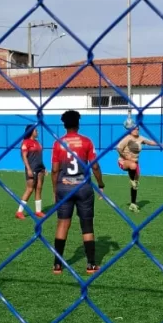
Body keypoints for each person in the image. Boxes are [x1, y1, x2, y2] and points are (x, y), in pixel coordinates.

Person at [51, 110, 106, 275]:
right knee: (87, 224)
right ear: (78, 123)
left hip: (64, 187)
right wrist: (101, 183)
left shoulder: (58, 143)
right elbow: (94, 166)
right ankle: (91, 265)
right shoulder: (87, 142)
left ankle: (57, 265)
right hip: (84, 188)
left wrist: (55, 190)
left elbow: (54, 170)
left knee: (62, 223)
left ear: (64, 124)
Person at [116, 126, 163, 212]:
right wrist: (126, 156)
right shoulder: (127, 138)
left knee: (135, 185)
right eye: (134, 129)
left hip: (135, 163)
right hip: (124, 161)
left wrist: (161, 145)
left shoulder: (140, 138)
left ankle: (133, 204)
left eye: (137, 129)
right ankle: (131, 180)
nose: (136, 130)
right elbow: (118, 148)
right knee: (133, 166)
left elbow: (150, 142)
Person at [16, 124, 46, 220]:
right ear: (31, 131)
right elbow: (24, 156)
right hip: (31, 168)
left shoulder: (38, 143)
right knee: (29, 189)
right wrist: (28, 168)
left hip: (40, 168)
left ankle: (38, 211)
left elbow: (39, 157)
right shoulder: (25, 142)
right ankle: (19, 212)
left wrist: (44, 167)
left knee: (39, 188)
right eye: (35, 130)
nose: (37, 132)